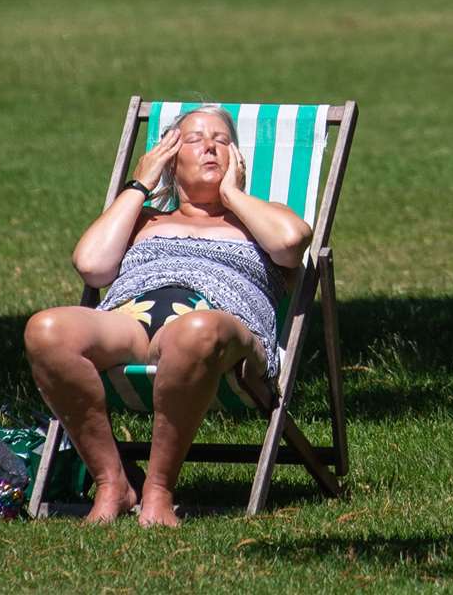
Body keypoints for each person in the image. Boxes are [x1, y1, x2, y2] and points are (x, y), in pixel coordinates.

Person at [24, 105, 311, 526]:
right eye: (193, 139)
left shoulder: (262, 219)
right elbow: (91, 265)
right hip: (133, 319)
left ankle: (159, 489)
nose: (210, 146)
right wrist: (141, 183)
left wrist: (232, 196)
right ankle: (112, 483)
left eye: (221, 140)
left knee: (194, 331)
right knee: (46, 330)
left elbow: (291, 243)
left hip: (223, 326)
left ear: (238, 158)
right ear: (170, 159)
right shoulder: (143, 220)